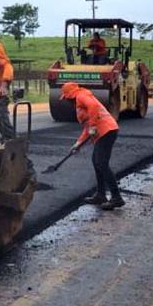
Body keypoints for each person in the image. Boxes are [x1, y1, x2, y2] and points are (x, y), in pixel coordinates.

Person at [60, 82, 124, 210]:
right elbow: (88, 127)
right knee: (96, 162)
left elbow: (94, 107)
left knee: (101, 163)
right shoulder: (79, 101)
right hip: (103, 132)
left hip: (107, 131)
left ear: (70, 95)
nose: (66, 100)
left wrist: (94, 126)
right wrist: (78, 144)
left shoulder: (81, 96)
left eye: (66, 97)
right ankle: (100, 195)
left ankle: (116, 197)